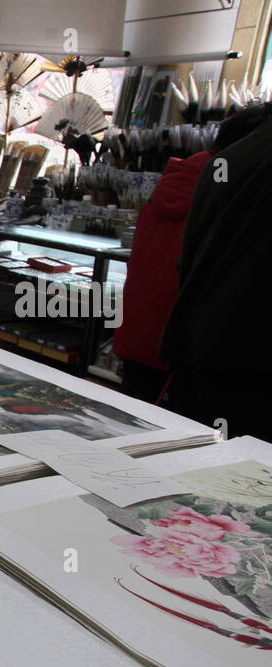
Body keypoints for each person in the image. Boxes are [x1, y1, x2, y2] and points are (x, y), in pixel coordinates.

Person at [161, 103, 272, 440]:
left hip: (203, 342)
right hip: (253, 355)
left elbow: (188, 258)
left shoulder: (228, 160)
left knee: (200, 464)